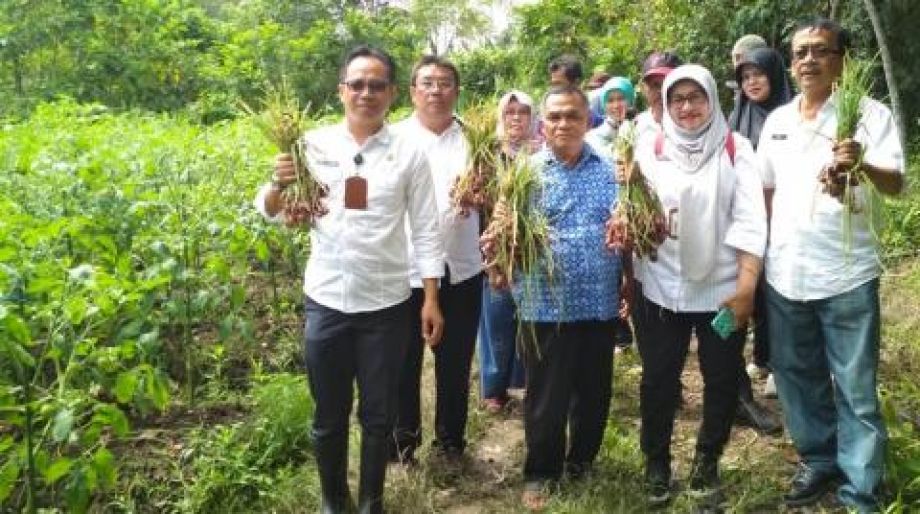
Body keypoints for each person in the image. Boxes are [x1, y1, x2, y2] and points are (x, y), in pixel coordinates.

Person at [254, 46, 445, 514]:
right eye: (357, 84)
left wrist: (431, 298)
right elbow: (272, 211)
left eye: (376, 85)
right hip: (327, 300)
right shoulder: (313, 145)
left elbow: (425, 229)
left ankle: (371, 504)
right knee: (328, 414)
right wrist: (279, 185)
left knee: (378, 416)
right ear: (341, 91)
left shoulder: (410, 152)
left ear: (392, 94)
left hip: (386, 305)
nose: (366, 93)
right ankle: (333, 502)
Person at [758, 17, 904, 512]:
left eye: (821, 50)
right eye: (800, 52)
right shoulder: (777, 122)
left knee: (857, 390)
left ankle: (860, 488)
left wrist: (860, 163)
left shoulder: (868, 115)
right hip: (786, 273)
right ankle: (819, 460)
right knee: (798, 380)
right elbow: (765, 193)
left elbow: (896, 184)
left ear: (842, 60)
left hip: (847, 274)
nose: (808, 60)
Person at [622, 64, 767, 507]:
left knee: (721, 377)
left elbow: (750, 219)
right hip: (660, 291)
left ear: (711, 100)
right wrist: (628, 280)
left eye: (695, 97)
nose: (686, 107)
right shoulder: (649, 149)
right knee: (658, 379)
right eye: (677, 99)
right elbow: (632, 214)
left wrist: (745, 289)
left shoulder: (734, 147)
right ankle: (657, 463)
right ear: (665, 104)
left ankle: (707, 461)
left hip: (722, 295)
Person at [484, 85, 623, 511]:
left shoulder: (611, 171)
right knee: (546, 397)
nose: (564, 124)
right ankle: (541, 472)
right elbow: (501, 233)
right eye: (555, 117)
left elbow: (627, 231)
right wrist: (499, 256)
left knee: (594, 393)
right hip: (544, 306)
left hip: (599, 305)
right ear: (543, 125)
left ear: (587, 121)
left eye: (573, 116)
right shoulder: (523, 174)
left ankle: (582, 462)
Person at [390, 55, 484, 465]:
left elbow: (500, 202)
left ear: (456, 91)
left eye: (444, 82)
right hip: (402, 269)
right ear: (413, 92)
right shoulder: (390, 140)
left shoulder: (478, 140)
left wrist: (484, 195)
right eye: (426, 82)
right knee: (402, 362)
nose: (435, 90)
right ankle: (402, 443)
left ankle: (450, 443)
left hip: (462, 267)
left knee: (456, 361)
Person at [728, 46, 794, 436]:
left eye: (759, 74)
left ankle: (780, 365)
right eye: (745, 76)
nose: (752, 82)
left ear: (775, 75)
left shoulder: (792, 116)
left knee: (779, 300)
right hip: (748, 229)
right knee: (750, 298)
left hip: (785, 226)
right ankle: (756, 362)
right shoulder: (736, 120)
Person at [478, 90, 535, 414]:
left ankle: (525, 382)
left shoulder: (541, 154)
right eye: (510, 112)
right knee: (496, 321)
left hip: (531, 250)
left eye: (523, 112)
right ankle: (493, 389)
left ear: (532, 117)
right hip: (496, 251)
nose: (516, 117)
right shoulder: (487, 156)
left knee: (530, 320)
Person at [635, 51, 683, 144]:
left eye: (668, 84)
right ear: (644, 88)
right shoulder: (636, 127)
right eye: (655, 85)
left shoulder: (692, 125)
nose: (662, 91)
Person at [586, 76, 636, 160]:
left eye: (621, 99)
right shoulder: (593, 136)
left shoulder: (640, 129)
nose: (616, 106)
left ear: (630, 101)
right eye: (610, 101)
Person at [548, 54, 603, 128]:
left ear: (576, 83)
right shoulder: (547, 119)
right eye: (553, 84)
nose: (554, 90)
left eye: (559, 84)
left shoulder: (596, 122)